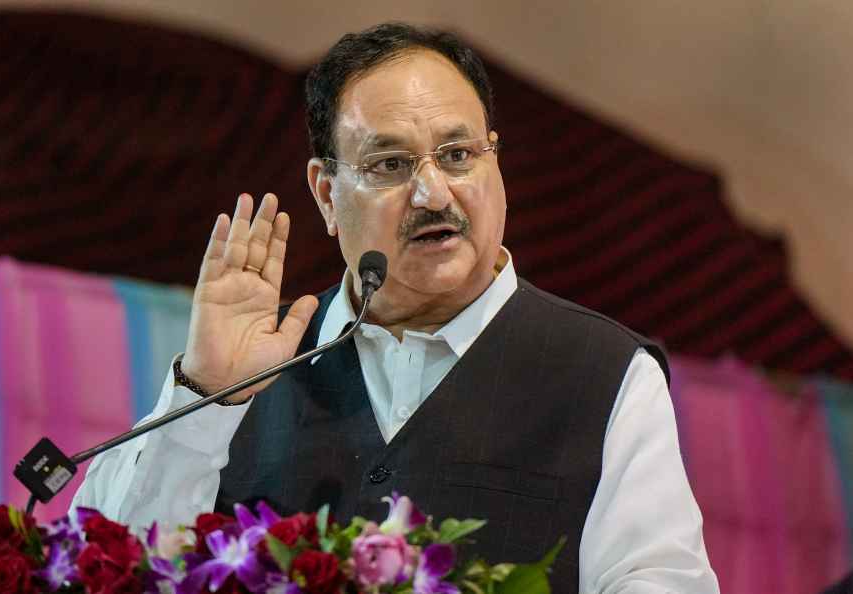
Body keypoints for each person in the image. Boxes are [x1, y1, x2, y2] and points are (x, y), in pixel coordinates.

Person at [73, 23, 719, 593]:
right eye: (390, 164)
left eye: (459, 155)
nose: (432, 192)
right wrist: (207, 397)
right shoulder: (247, 362)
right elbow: (110, 567)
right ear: (327, 194)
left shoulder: (603, 373)